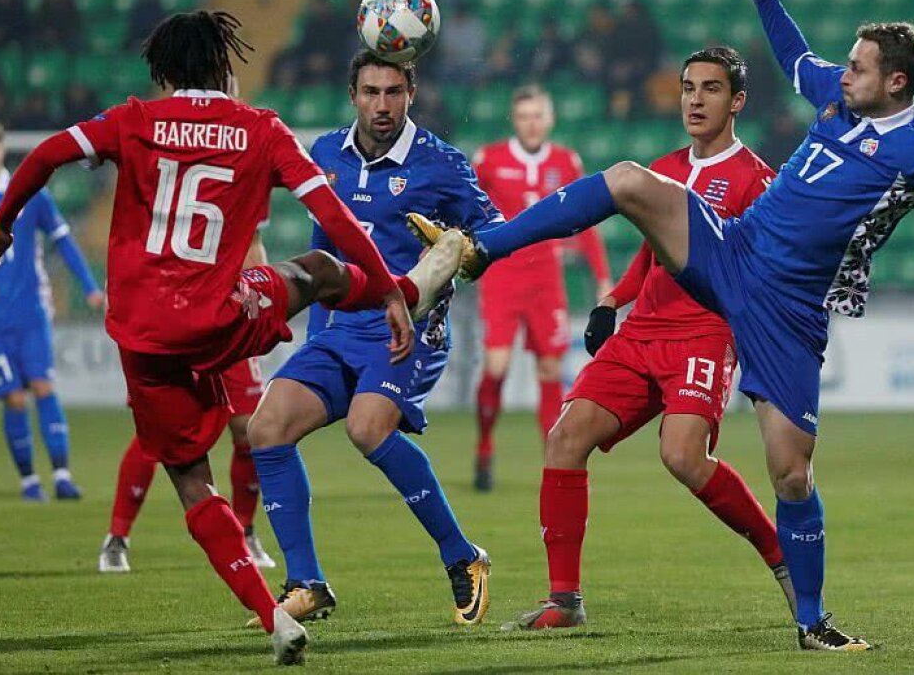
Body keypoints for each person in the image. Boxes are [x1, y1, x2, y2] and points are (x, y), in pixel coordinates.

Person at [406, 0, 914, 651]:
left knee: (790, 474)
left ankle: (812, 622)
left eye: (861, 66)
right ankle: (475, 248)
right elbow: (792, 53)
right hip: (734, 252)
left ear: (896, 83)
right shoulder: (835, 102)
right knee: (627, 179)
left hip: (787, 311)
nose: (843, 72)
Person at [0, 11, 464, 665]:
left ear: (166, 72)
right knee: (315, 270)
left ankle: (274, 617)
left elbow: (43, 156)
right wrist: (388, 293)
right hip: (222, 315)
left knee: (191, 483)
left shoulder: (132, 121)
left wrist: (3, 225)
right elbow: (331, 215)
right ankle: (407, 289)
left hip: (143, 335)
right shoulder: (257, 127)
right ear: (225, 69)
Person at [499, 47, 796, 630]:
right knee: (564, 438)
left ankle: (783, 560)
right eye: (688, 87)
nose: (694, 98)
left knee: (682, 455)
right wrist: (614, 300)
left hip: (703, 334)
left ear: (737, 101)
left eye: (710, 89)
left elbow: (758, 275)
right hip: (642, 332)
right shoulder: (662, 168)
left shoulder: (758, 181)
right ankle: (564, 602)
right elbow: (650, 253)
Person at [246, 51, 501, 629]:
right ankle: (306, 581)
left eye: (392, 92)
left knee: (367, 427)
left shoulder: (442, 164)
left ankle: (463, 557)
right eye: (370, 92)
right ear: (352, 94)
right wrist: (316, 331)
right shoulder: (327, 154)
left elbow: (494, 229)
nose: (381, 105)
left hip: (409, 327)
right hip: (340, 328)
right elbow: (321, 250)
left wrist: (460, 249)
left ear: (411, 92)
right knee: (267, 429)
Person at [0, 118, 101, 501]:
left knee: (43, 386)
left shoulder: (31, 195)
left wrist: (90, 286)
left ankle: (62, 475)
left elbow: (64, 242)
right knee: (14, 397)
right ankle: (29, 481)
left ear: (1, 149)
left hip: (31, 311)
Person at [99, 230, 278, 574]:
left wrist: (259, 306)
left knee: (248, 429)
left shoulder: (246, 179)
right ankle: (117, 538)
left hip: (229, 314)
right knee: (157, 434)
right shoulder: (165, 183)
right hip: (174, 317)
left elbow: (252, 240)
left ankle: (246, 530)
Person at [470, 86, 611, 490]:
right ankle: (483, 449)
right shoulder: (490, 160)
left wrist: (601, 275)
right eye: (523, 116)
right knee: (497, 366)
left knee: (550, 368)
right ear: (514, 121)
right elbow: (467, 205)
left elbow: (586, 221)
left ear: (549, 119)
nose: (531, 123)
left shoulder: (566, 162)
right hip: (503, 275)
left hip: (546, 280)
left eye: (538, 115)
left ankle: (553, 460)